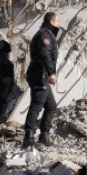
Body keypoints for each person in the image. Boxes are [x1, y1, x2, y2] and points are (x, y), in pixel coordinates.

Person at [23, 12, 60, 149]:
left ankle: (44, 136)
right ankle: (28, 138)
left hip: (42, 75)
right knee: (37, 104)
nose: (59, 24)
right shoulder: (45, 34)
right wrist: (51, 73)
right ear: (51, 21)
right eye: (57, 21)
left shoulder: (48, 33)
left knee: (51, 106)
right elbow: (44, 53)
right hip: (39, 74)